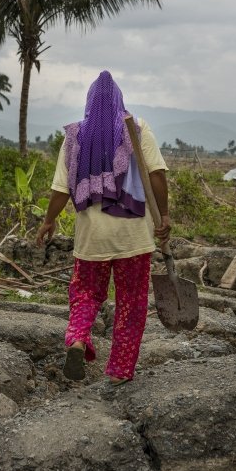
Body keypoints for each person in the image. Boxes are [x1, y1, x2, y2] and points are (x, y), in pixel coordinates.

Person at [35, 70, 170, 386]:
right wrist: (164, 216)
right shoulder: (136, 129)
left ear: (88, 104)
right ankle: (120, 371)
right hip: (133, 235)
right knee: (131, 301)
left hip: (92, 237)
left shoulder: (75, 136)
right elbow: (157, 175)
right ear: (120, 101)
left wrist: (49, 220)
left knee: (85, 292)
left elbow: (60, 190)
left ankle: (79, 338)